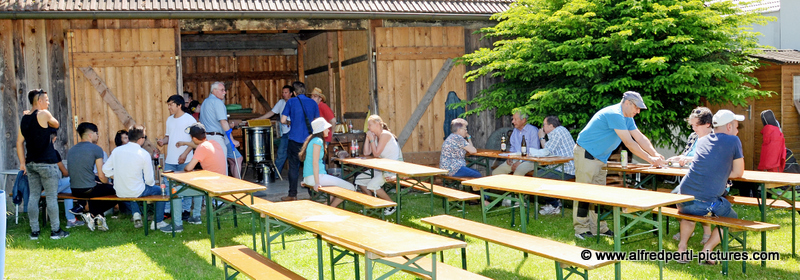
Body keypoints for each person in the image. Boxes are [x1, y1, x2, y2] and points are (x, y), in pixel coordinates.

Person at [573, 91, 666, 240]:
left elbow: (640, 138)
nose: (638, 111)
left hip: (600, 158)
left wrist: (655, 155)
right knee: (584, 193)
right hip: (587, 154)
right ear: (627, 103)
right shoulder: (615, 114)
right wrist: (650, 160)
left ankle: (599, 228)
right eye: (637, 107)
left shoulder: (627, 117)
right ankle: (581, 229)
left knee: (598, 195)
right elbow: (630, 143)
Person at [676, 110, 745, 265]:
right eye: (736, 125)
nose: (738, 129)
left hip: (683, 198)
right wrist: (722, 171)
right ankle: (707, 250)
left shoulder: (703, 140)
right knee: (730, 218)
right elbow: (738, 172)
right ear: (728, 127)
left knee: (689, 212)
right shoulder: (734, 141)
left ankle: (682, 248)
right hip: (707, 202)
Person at [17, 89, 69, 240]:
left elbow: (19, 143)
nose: (48, 102)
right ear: (38, 101)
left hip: (31, 163)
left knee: (34, 196)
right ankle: (56, 231)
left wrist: (22, 163)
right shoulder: (44, 114)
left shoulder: (24, 119)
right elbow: (56, 124)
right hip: (47, 163)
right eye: (46, 100)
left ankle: (34, 232)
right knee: (51, 197)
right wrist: (46, 112)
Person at [665, 107, 715, 243]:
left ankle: (705, 232)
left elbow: (710, 159)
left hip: (708, 180)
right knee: (675, 198)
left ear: (707, 124)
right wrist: (678, 158)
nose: (693, 128)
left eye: (696, 125)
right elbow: (687, 154)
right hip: (690, 176)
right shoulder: (693, 136)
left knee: (696, 200)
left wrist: (690, 160)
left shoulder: (715, 138)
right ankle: (686, 228)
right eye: (692, 125)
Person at [103, 125, 167, 229]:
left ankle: (136, 213)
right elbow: (150, 181)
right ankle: (158, 221)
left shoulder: (116, 151)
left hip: (119, 191)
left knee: (134, 186)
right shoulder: (144, 154)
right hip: (136, 190)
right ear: (141, 139)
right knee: (161, 191)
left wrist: (117, 176)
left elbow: (105, 169)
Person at [156, 95, 200, 228]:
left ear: (179, 105)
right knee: (169, 185)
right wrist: (162, 141)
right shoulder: (169, 120)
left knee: (186, 186)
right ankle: (171, 211)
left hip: (185, 159)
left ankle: (186, 211)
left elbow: (195, 140)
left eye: (171, 105)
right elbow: (169, 137)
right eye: (168, 105)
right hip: (170, 159)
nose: (169, 107)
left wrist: (185, 154)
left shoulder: (189, 119)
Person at [67, 122, 117, 231]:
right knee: (119, 190)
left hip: (74, 189)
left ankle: (99, 220)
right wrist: (108, 183)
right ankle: (93, 214)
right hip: (89, 189)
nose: (98, 136)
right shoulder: (96, 149)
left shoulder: (72, 150)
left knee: (98, 188)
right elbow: (102, 175)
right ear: (91, 134)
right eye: (97, 133)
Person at [301, 118, 356, 208]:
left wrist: (306, 179)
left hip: (310, 177)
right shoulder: (318, 141)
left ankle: (327, 207)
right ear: (321, 130)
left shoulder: (312, 140)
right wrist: (317, 183)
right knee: (350, 187)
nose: (328, 130)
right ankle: (330, 208)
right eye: (326, 128)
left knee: (337, 188)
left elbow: (309, 161)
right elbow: (315, 163)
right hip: (315, 177)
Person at [356, 115, 402, 216]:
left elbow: (376, 154)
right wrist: (368, 138)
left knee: (372, 185)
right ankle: (373, 204)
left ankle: (391, 205)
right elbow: (366, 153)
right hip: (381, 168)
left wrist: (372, 139)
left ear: (377, 124)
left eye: (370, 125)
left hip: (391, 168)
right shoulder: (375, 136)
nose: (368, 127)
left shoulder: (385, 135)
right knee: (360, 179)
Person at [280, 81, 319, 201]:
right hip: (309, 140)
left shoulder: (291, 101)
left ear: (294, 92)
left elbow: (282, 120)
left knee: (293, 167)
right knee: (310, 166)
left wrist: (289, 122)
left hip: (294, 139)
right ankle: (313, 194)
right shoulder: (313, 102)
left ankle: (292, 194)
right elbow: (317, 121)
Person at [535, 116, 576, 215]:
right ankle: (553, 202)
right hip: (563, 167)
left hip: (567, 169)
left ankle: (554, 205)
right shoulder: (560, 131)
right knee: (539, 173)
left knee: (538, 176)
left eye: (544, 125)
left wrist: (541, 137)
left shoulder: (557, 132)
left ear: (551, 126)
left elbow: (546, 151)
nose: (543, 127)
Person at [253, 85, 294, 175]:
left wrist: (289, 122)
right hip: (285, 133)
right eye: (283, 92)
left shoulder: (294, 103)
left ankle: (276, 174)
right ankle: (275, 174)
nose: (283, 94)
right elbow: (271, 112)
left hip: (293, 132)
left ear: (291, 94)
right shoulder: (281, 102)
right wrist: (259, 119)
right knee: (281, 154)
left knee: (285, 153)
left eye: (286, 92)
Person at [200, 81, 240, 175]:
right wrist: (232, 139)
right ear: (214, 91)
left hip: (206, 138)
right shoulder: (218, 102)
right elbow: (223, 122)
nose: (224, 92)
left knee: (211, 167)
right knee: (221, 168)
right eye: (222, 90)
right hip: (216, 138)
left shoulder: (205, 102)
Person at [491, 110, 540, 176]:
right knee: (495, 173)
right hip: (515, 159)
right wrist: (509, 158)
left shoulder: (533, 131)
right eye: (513, 119)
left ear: (523, 120)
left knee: (517, 174)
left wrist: (520, 161)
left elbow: (534, 151)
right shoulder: (515, 131)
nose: (513, 122)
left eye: (515, 119)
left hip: (529, 161)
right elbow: (512, 147)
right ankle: (506, 186)